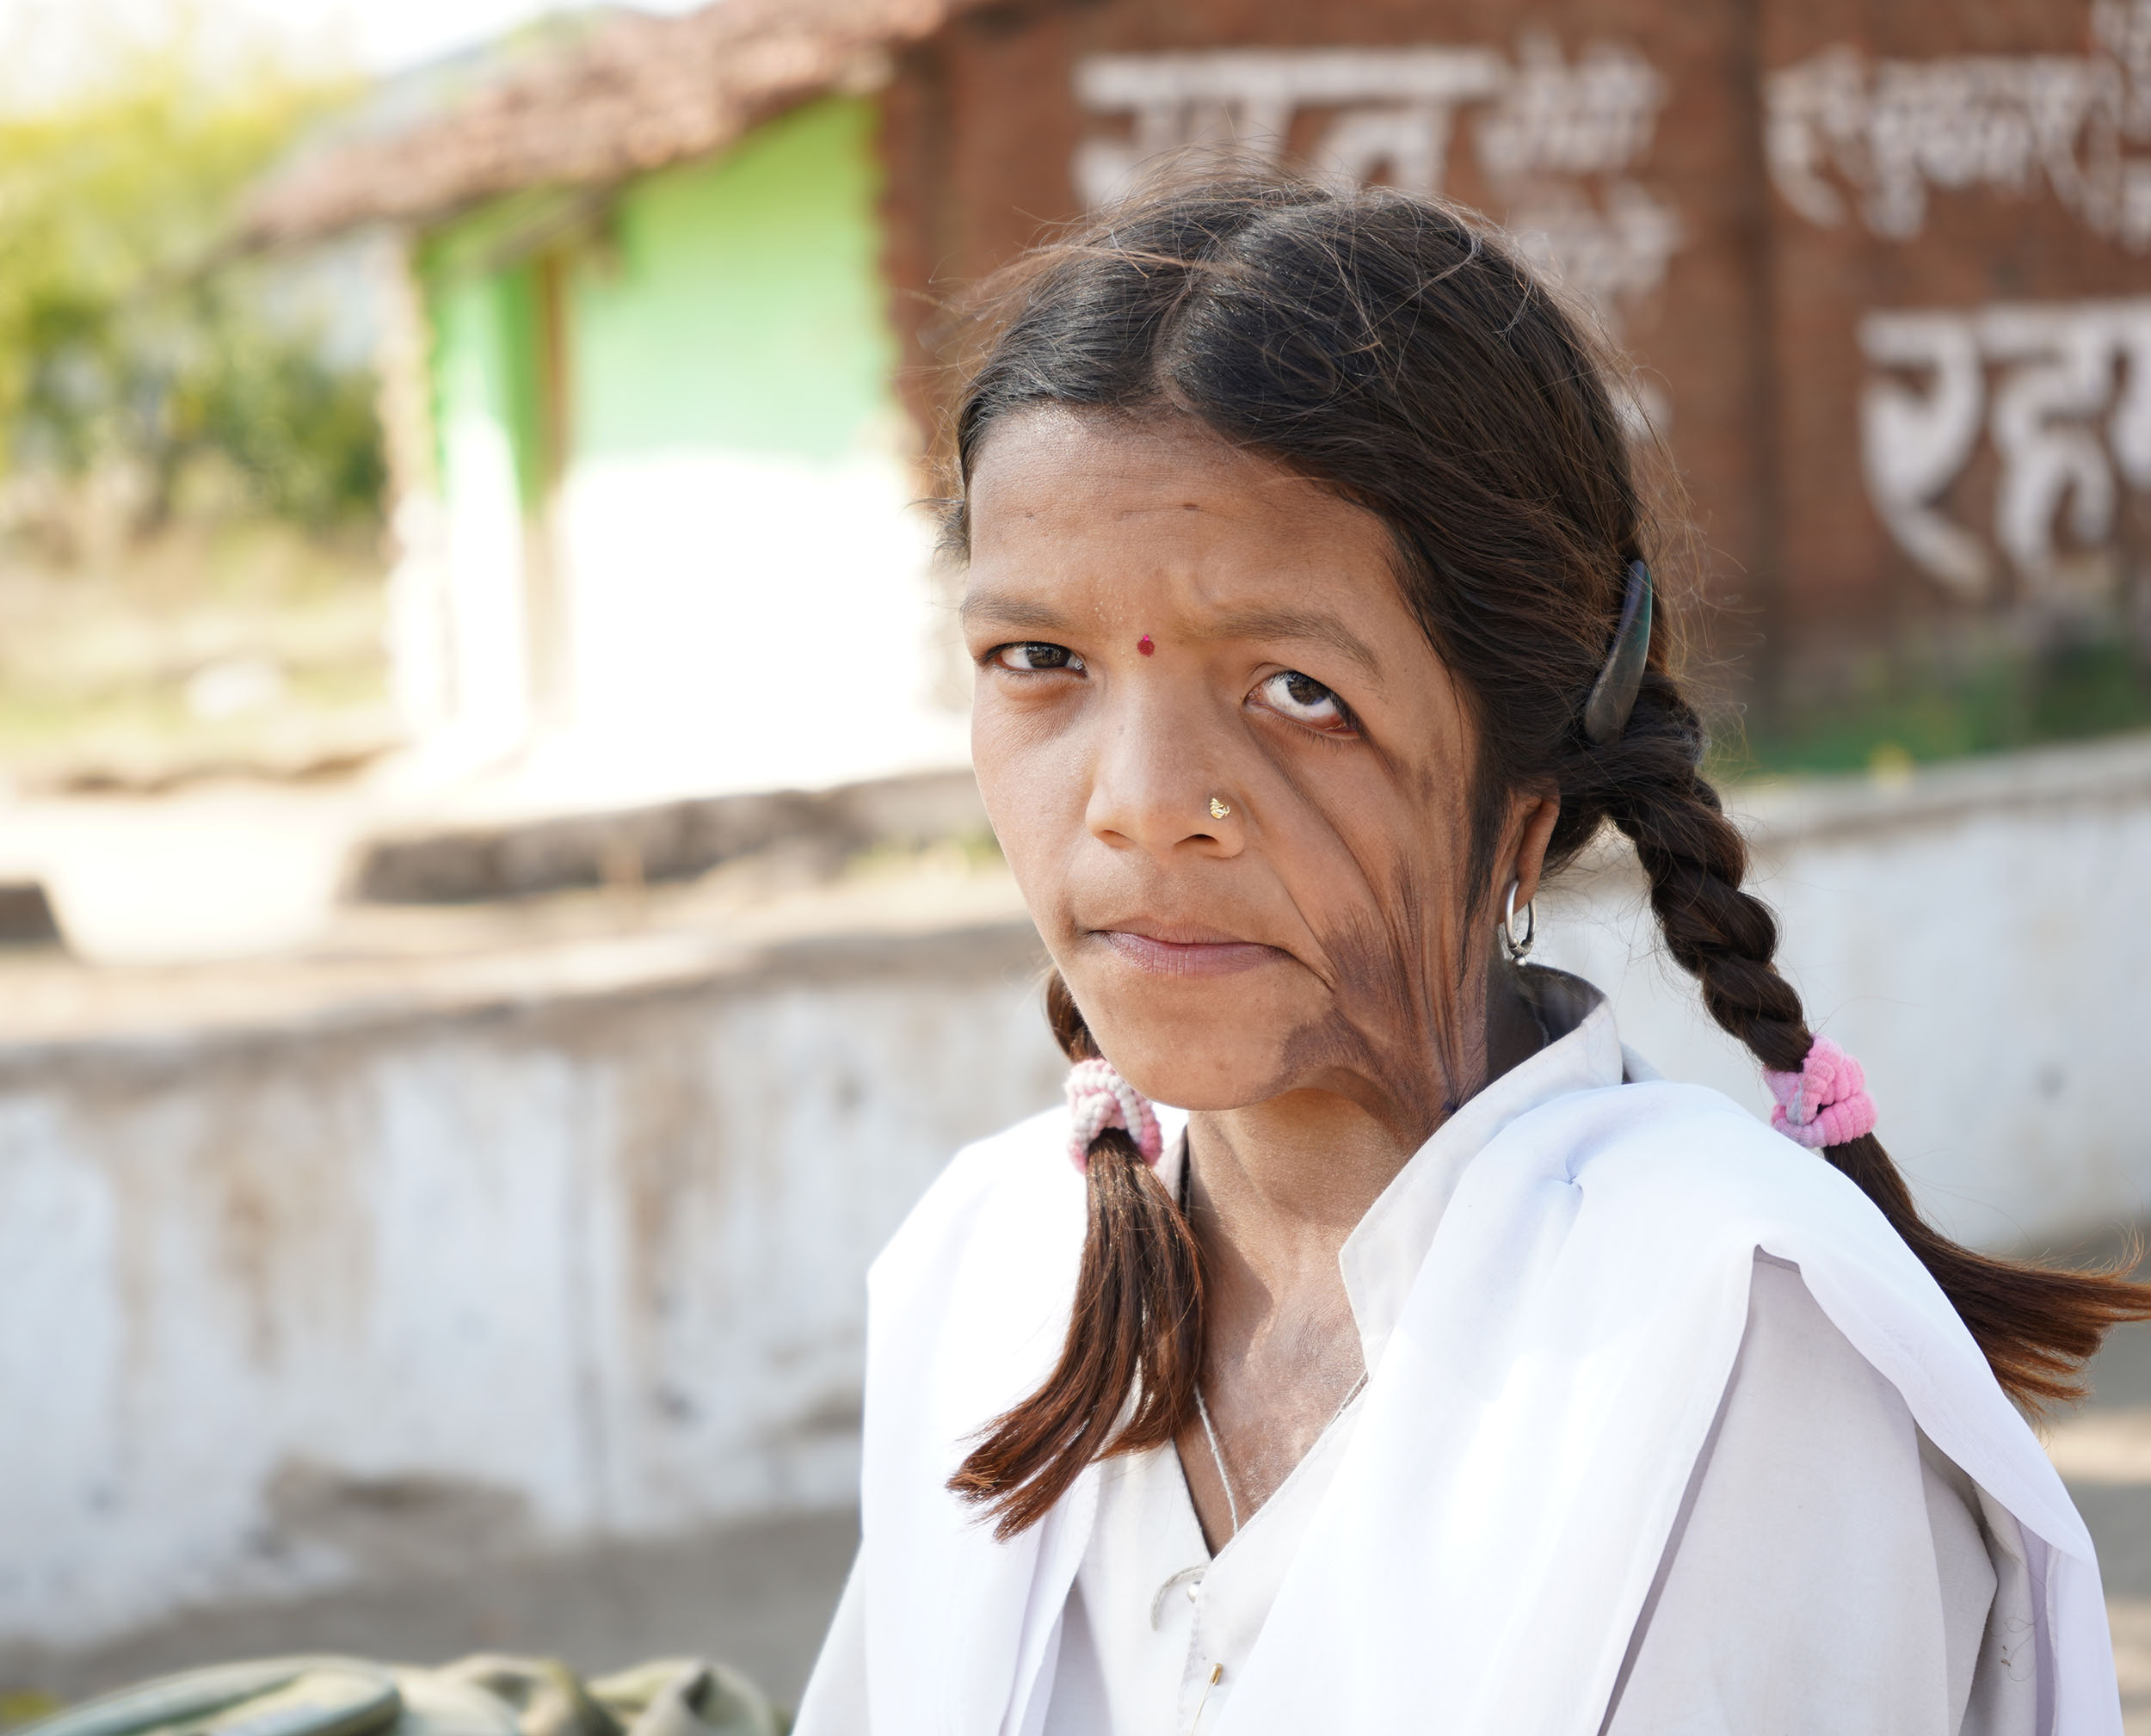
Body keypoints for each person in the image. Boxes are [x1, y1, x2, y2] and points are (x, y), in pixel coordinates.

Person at [792, 171, 2148, 1735]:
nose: (1141, 808)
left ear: (1529, 784)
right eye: (1038, 660)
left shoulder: (1723, 1337)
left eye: (1297, 687)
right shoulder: (986, 1270)